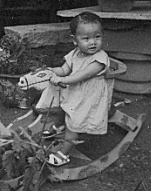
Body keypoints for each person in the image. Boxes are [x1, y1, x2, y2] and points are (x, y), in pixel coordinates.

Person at [45, 11, 110, 166]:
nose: (92, 42)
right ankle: (59, 125)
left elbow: (81, 75)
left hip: (89, 98)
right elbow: (64, 69)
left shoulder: (100, 59)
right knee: (62, 107)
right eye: (86, 38)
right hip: (75, 93)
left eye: (97, 37)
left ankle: (64, 153)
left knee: (74, 123)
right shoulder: (74, 54)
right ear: (74, 40)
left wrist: (62, 79)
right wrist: (52, 71)